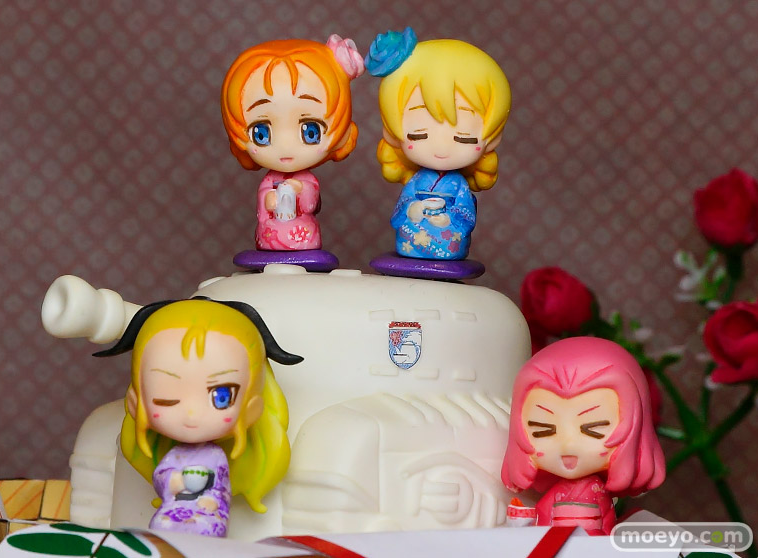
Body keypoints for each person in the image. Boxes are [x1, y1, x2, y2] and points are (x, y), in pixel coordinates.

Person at [95, 297, 301, 535]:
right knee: (161, 526)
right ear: (135, 402)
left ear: (251, 408)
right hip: (175, 507)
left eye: (221, 397)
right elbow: (163, 476)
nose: (192, 414)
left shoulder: (216, 457)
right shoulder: (173, 456)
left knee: (208, 531)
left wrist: (210, 501)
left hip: (207, 510)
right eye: (165, 397)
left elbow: (220, 486)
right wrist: (172, 483)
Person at [366, 28, 511, 260]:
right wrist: (413, 209)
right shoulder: (416, 181)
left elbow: (465, 213)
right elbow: (403, 206)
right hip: (412, 237)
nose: (442, 147)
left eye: (464, 137)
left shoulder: (458, 185)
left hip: (448, 238)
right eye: (419, 134)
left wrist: (447, 219)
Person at [501, 337, 665, 535]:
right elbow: (542, 517)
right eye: (543, 430)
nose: (568, 445)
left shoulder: (596, 493)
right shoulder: (558, 493)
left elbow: (604, 526)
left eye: (593, 430)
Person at [221, 35, 363, 251]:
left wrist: (299, 190)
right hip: (270, 232)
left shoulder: (308, 180)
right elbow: (263, 203)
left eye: (310, 130)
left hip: (302, 231)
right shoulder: (270, 180)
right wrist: (268, 200)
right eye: (261, 132)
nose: (286, 146)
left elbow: (310, 203)